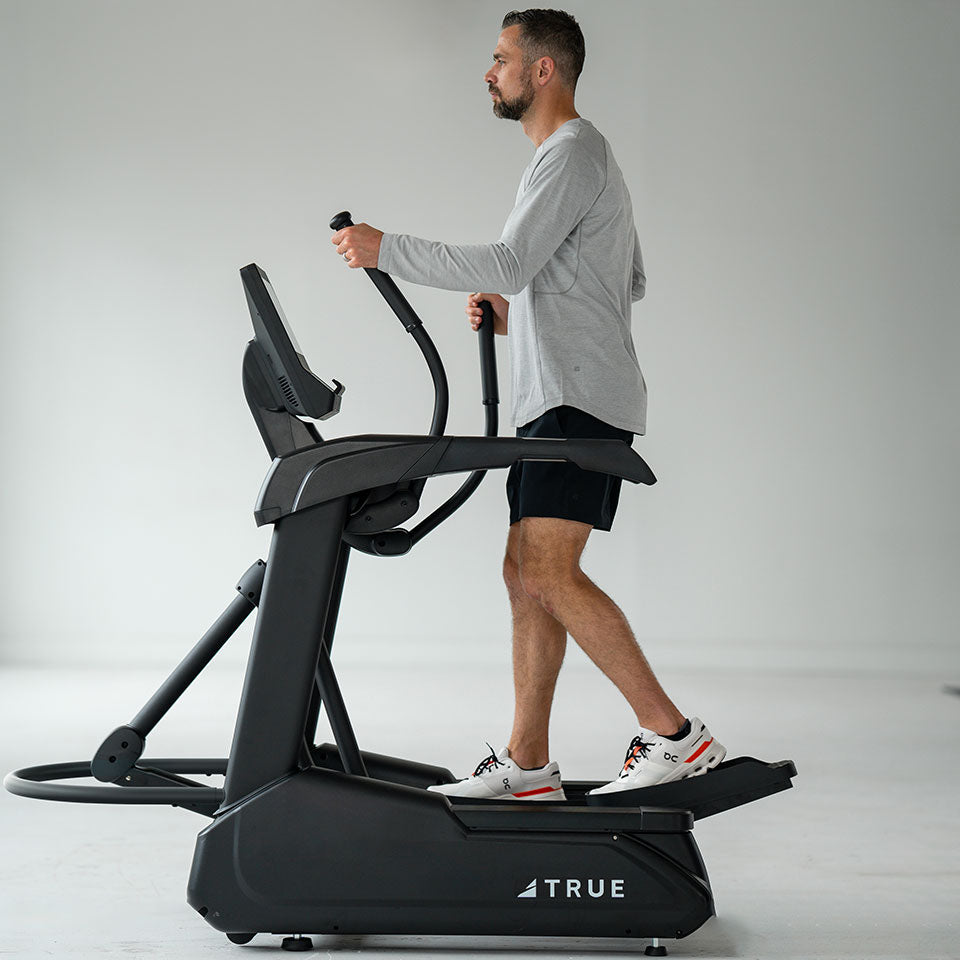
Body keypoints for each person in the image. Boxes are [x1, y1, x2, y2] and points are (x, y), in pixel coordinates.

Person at [331, 8, 725, 801]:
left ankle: (677, 737)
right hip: (559, 395)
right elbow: (621, 276)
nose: (490, 72)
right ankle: (528, 764)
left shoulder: (572, 152)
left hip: (579, 400)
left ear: (542, 70)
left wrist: (387, 250)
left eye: (502, 58)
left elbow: (512, 261)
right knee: (523, 573)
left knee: (546, 571)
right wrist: (525, 317)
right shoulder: (571, 158)